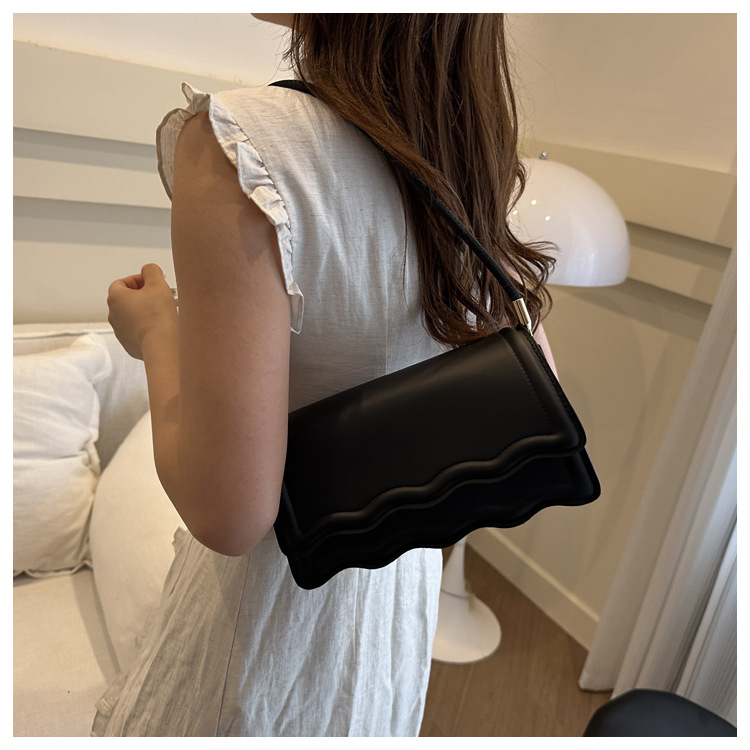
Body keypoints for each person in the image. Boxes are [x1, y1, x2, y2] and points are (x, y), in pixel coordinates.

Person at [97, 13, 555, 737]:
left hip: (270, 626)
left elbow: (229, 515)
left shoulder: (239, 145)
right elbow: (535, 367)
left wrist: (156, 332)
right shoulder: (466, 149)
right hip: (398, 600)